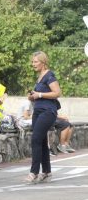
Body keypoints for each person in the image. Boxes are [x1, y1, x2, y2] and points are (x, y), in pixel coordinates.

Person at [26, 51, 62, 183]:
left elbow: (57, 93)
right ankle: (46, 171)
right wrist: (32, 96)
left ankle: (34, 172)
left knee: (35, 139)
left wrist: (39, 95)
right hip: (38, 111)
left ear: (43, 62)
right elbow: (39, 95)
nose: (33, 64)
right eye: (32, 62)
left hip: (48, 111)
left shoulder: (49, 75)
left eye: (35, 62)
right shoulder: (39, 77)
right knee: (40, 141)